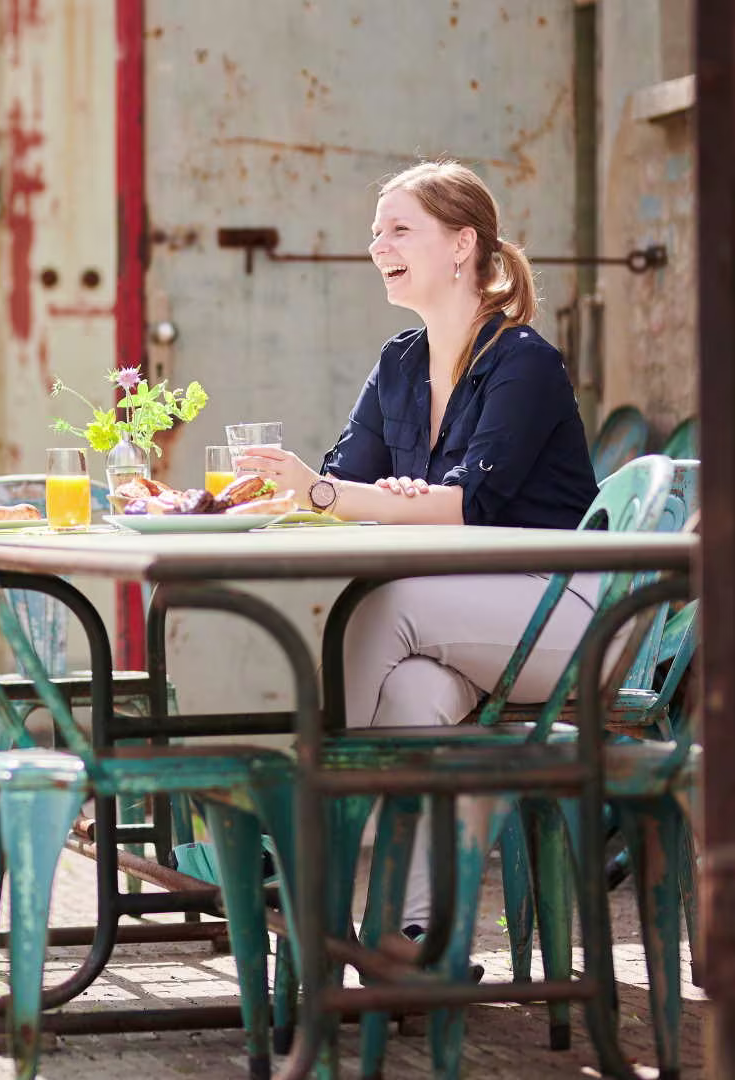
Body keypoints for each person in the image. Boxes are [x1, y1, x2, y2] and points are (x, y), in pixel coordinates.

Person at [236, 160, 600, 950]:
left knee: (385, 606)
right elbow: (343, 482)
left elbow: (466, 506)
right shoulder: (400, 362)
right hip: (460, 620)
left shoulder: (524, 362)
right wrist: (295, 495)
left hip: (561, 611)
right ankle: (414, 943)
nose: (378, 245)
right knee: (416, 698)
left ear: (462, 244)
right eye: (375, 232)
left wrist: (327, 497)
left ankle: (283, 811)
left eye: (400, 228)